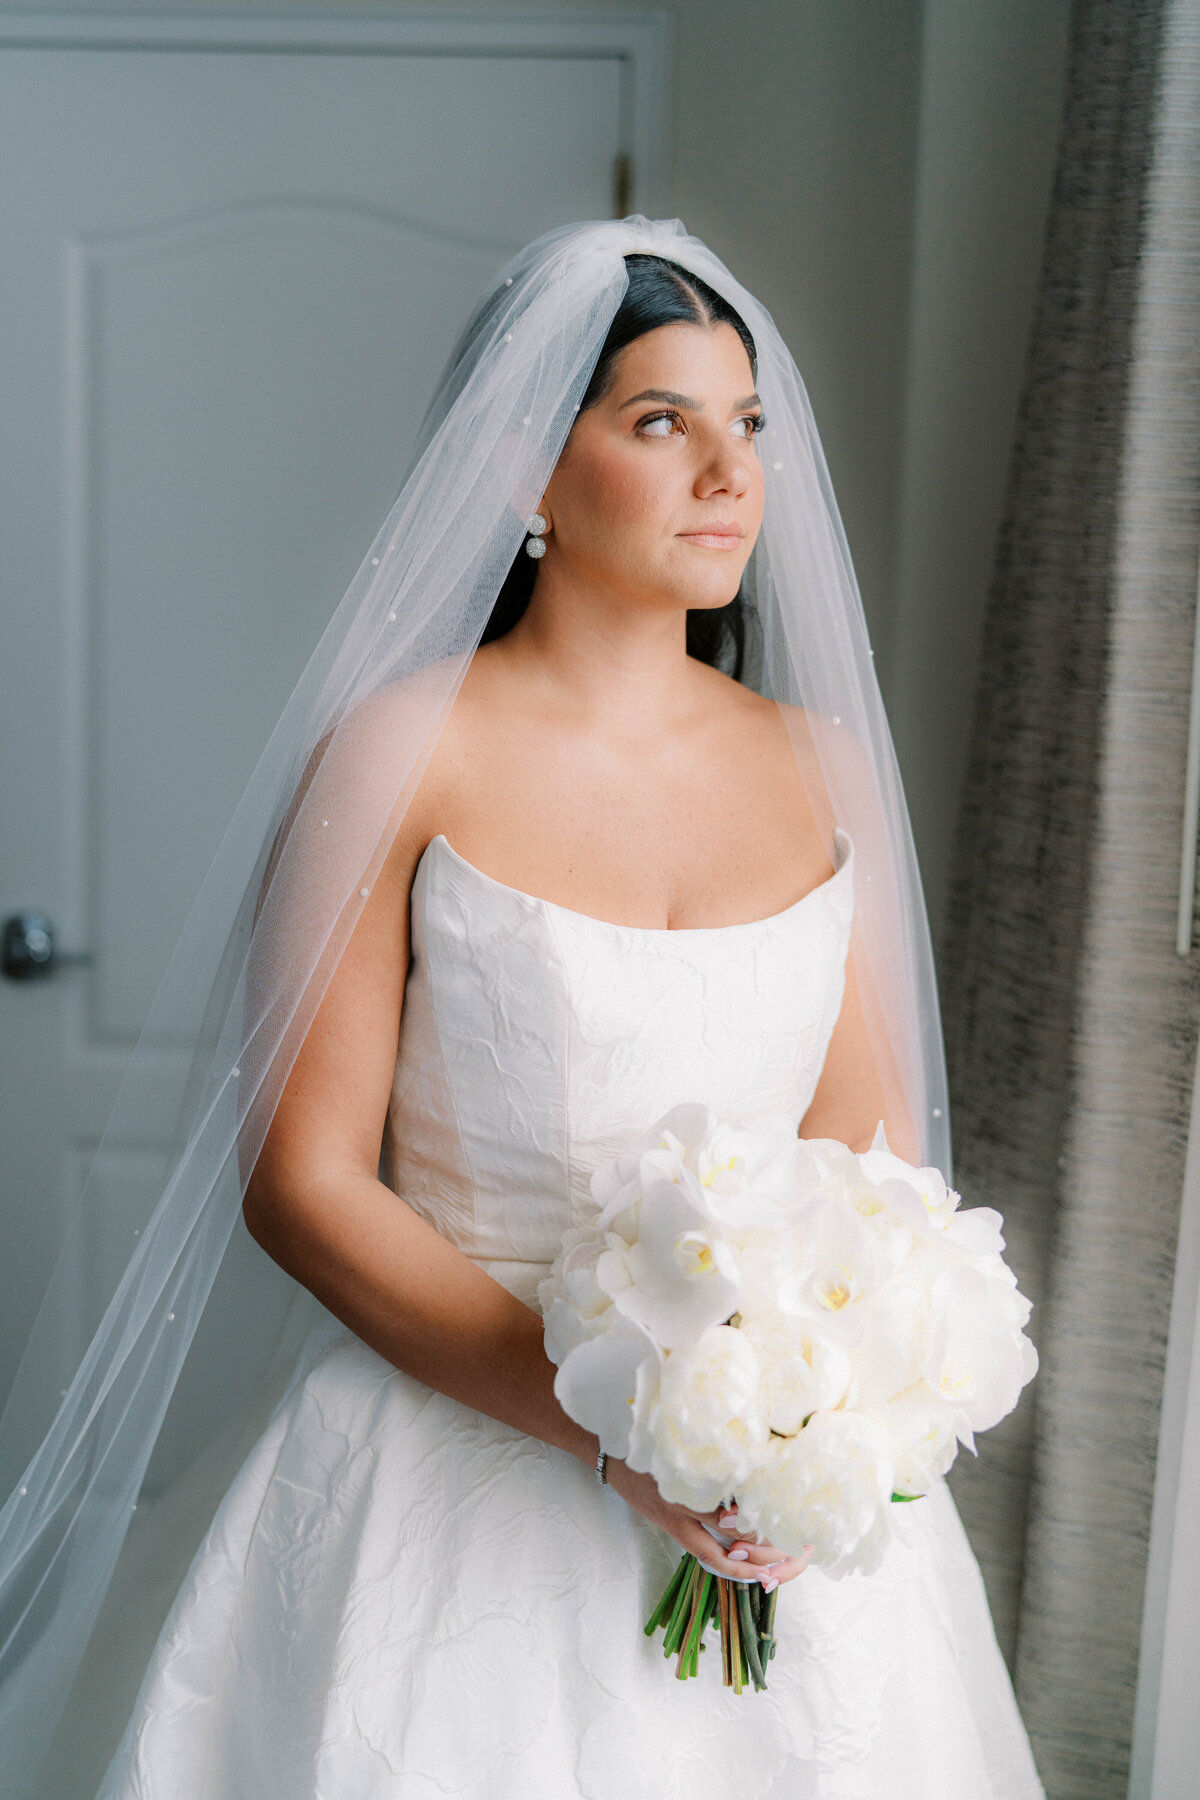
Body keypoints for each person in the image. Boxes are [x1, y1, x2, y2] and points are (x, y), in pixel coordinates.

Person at [0, 220, 1045, 1798]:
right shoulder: (403, 752)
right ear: (521, 475)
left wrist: (802, 1414)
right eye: (660, 422)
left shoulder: (823, 768)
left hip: (776, 1503)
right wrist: (620, 1436)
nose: (729, 474)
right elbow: (302, 1181)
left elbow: (862, 1147)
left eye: (746, 426)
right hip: (437, 1479)